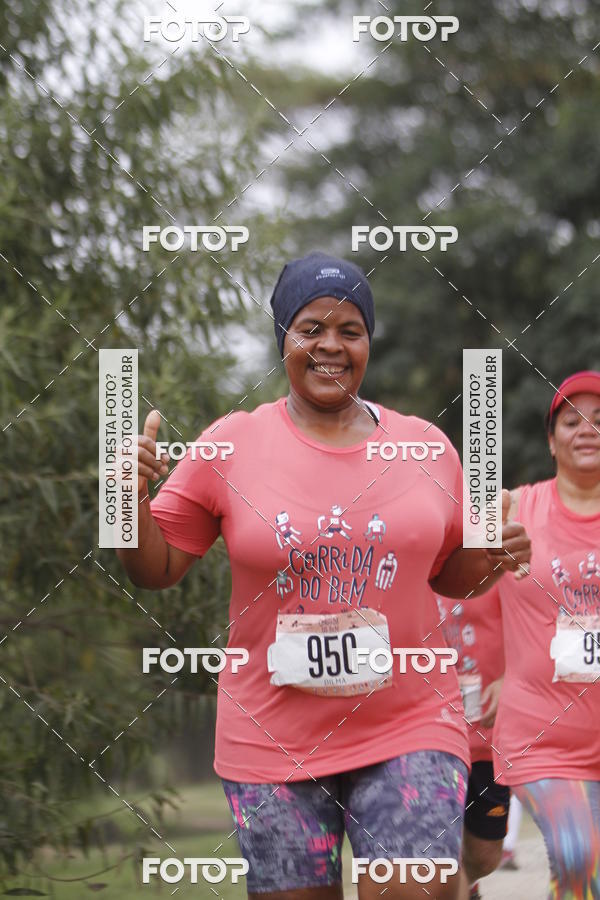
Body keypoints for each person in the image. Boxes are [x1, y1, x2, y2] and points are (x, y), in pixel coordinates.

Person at [116, 251, 531, 900]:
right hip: (271, 736)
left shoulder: (424, 446)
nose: (330, 346)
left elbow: (455, 578)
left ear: (368, 341)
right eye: (311, 328)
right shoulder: (231, 443)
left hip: (410, 721)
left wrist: (493, 553)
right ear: (283, 336)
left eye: (350, 330)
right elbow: (154, 569)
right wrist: (127, 500)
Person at [493, 371, 600, 900]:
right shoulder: (512, 511)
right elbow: (450, 586)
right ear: (551, 439)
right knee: (580, 854)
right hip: (544, 738)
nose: (587, 430)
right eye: (572, 420)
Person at [436, 587, 509, 900]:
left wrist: (513, 676)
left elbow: (537, 623)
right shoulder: (413, 551)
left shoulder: (496, 556)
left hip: (487, 735)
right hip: (429, 733)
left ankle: (468, 881)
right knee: (435, 850)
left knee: (484, 855)